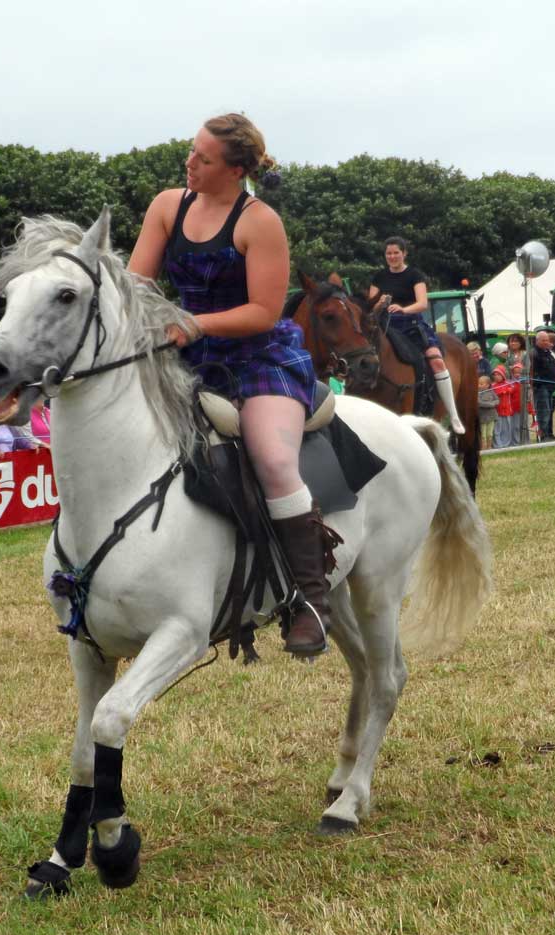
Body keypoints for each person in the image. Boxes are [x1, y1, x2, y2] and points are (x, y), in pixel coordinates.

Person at [125, 112, 332, 656]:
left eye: (203, 158)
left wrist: (188, 324)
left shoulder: (259, 221)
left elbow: (264, 312)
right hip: (183, 350)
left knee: (270, 458)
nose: (189, 163)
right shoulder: (168, 205)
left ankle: (311, 599)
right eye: (191, 151)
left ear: (236, 169)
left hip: (256, 357)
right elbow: (136, 285)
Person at [366, 237, 465, 434]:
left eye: (396, 253)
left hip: (411, 324)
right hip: (385, 325)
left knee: (437, 361)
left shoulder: (414, 275)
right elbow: (371, 306)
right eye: (389, 253)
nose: (392, 257)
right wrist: (381, 303)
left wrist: (402, 309)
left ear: (404, 253)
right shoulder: (379, 277)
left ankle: (453, 415)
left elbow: (422, 303)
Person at [530, 331, 555, 440]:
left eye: (547, 340)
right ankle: (543, 435)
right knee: (543, 412)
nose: (546, 342)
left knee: (550, 410)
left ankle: (549, 433)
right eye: (544, 340)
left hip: (550, 386)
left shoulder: (548, 352)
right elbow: (533, 371)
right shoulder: (534, 353)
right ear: (537, 341)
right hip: (541, 387)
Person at [489, 367, 517, 449]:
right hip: (497, 412)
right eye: (494, 375)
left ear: (503, 375)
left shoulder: (508, 383)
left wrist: (507, 389)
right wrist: (503, 391)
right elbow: (494, 392)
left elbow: (512, 388)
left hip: (507, 411)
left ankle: (506, 443)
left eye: (498, 374)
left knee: (507, 428)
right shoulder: (493, 385)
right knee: (497, 429)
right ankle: (498, 444)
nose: (496, 376)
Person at [476, 374, 497, 450]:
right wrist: (490, 404)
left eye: (481, 384)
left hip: (491, 416)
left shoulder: (492, 392)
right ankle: (483, 447)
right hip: (482, 417)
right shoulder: (477, 393)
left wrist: (493, 403)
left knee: (490, 433)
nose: (479, 385)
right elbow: (479, 403)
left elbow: (497, 401)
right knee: (483, 434)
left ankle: (489, 447)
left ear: (488, 385)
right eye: (478, 384)